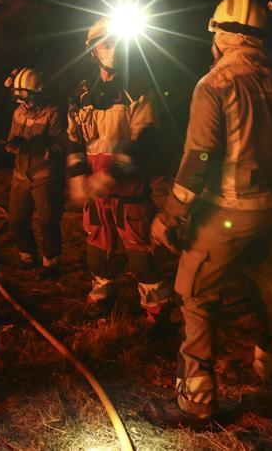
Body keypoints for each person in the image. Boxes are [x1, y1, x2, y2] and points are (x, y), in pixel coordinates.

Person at [142, 0, 272, 427]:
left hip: (227, 213)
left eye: (216, 31)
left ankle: (195, 400)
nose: (214, 39)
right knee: (271, 287)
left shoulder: (215, 85)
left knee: (196, 295)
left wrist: (169, 216)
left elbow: (199, 157)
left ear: (225, 34)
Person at [66, 19, 172, 334]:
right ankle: (102, 295)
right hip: (97, 196)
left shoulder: (139, 88)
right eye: (106, 44)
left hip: (130, 194)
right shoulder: (81, 93)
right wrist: (76, 174)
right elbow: (74, 139)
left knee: (141, 253)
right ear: (93, 51)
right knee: (96, 247)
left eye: (118, 45)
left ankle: (156, 308)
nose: (113, 51)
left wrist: (112, 174)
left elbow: (146, 139)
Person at [3, 67, 66, 278]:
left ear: (39, 93)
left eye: (27, 98)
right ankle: (27, 257)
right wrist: (11, 145)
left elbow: (62, 144)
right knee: (16, 220)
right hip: (20, 176)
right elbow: (12, 137)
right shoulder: (18, 112)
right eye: (20, 98)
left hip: (44, 176)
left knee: (48, 220)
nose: (24, 102)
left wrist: (45, 149)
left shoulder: (53, 113)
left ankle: (51, 262)